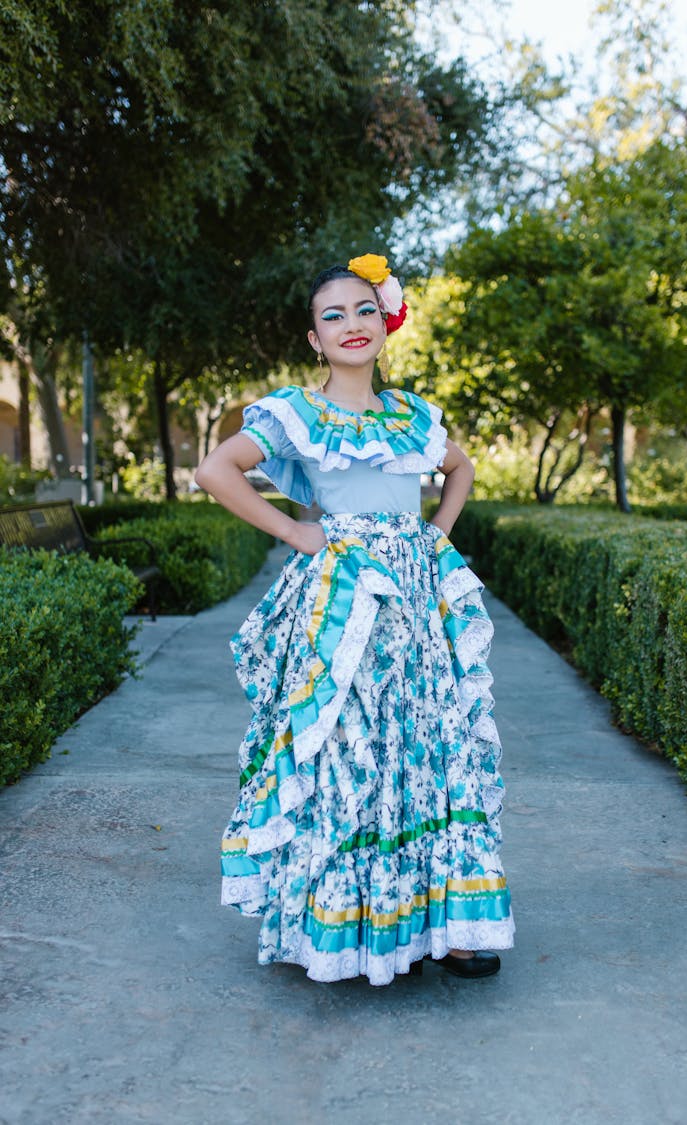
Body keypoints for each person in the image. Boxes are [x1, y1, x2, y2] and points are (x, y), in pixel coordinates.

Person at [195, 253, 514, 985]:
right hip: (344, 603)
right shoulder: (298, 414)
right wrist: (299, 533)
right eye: (331, 315)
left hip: (416, 600)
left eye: (363, 310)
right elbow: (216, 469)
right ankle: (350, 926)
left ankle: (450, 928)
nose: (350, 324)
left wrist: (436, 533)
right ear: (314, 338)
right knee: (350, 751)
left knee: (431, 745)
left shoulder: (411, 416)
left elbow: (458, 469)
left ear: (384, 321)